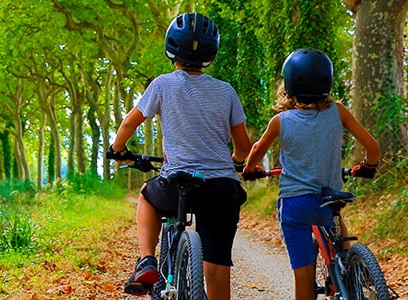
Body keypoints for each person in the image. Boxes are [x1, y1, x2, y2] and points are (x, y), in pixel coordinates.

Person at [105, 12, 252, 299]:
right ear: (211, 52)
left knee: (147, 195)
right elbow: (244, 148)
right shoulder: (226, 91)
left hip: (177, 183)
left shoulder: (162, 84)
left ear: (171, 48)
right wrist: (235, 160)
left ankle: (147, 260)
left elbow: (128, 123)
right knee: (218, 264)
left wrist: (118, 149)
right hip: (221, 187)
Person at [241, 48, 381, 300]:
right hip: (329, 199)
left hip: (295, 204)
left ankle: (341, 272)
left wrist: (250, 169)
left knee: (304, 277)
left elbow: (256, 151)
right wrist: (368, 166)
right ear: (327, 81)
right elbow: (373, 148)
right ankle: (355, 268)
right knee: (336, 221)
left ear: (289, 85)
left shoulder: (280, 121)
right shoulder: (338, 111)